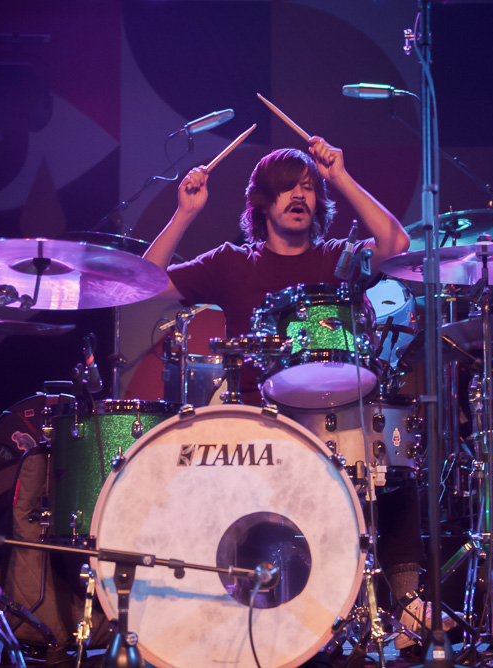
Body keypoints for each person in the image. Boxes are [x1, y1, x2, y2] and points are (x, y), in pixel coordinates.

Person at [143, 136, 435, 652]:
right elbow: (147, 280)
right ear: (261, 202)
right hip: (258, 422)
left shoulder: (337, 259)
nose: (300, 194)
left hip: (334, 414)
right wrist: (185, 213)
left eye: (308, 187)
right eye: (286, 189)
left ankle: (409, 609)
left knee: (391, 464)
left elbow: (397, 245)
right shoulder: (232, 262)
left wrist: (339, 176)